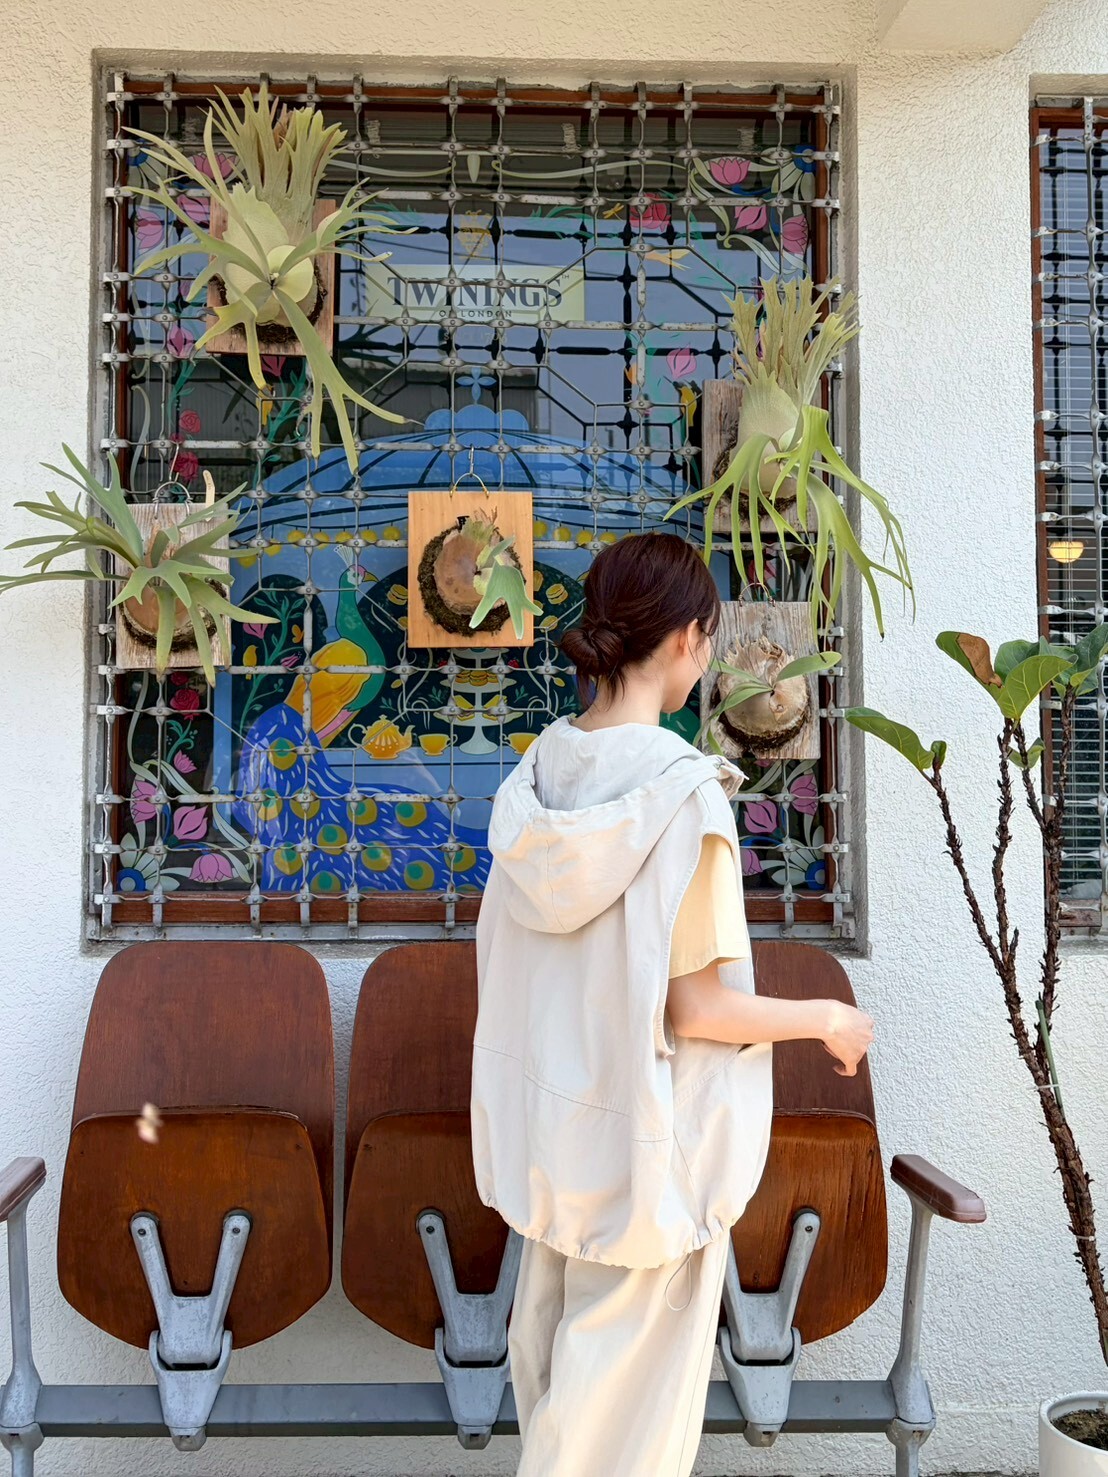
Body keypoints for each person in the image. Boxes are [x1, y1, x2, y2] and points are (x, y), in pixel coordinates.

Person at [470, 531, 874, 1477]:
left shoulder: (539, 780)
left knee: (564, 1426)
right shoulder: (684, 796)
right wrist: (824, 1018)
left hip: (552, 1152)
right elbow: (695, 1006)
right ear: (690, 638)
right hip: (646, 1161)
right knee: (623, 1453)